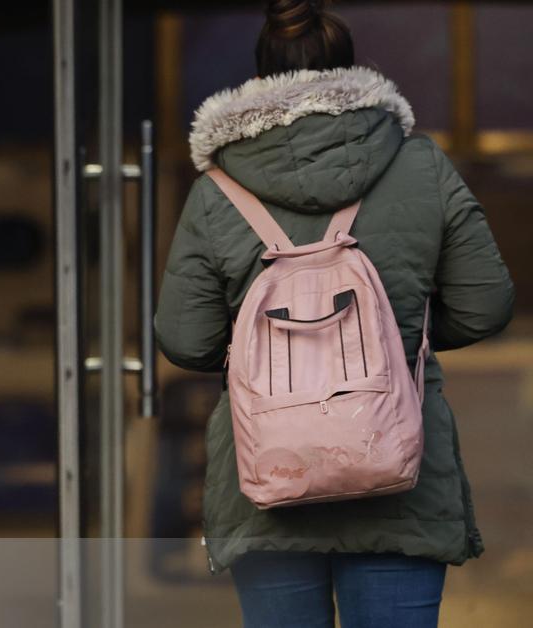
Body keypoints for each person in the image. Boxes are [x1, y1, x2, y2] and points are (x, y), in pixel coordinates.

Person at [155, 1, 514, 626]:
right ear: (350, 70)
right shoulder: (421, 165)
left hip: (266, 474)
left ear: (261, 76)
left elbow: (186, 339)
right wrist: (399, 342)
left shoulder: (216, 189)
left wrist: (272, 361)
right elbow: (485, 306)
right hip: (400, 471)